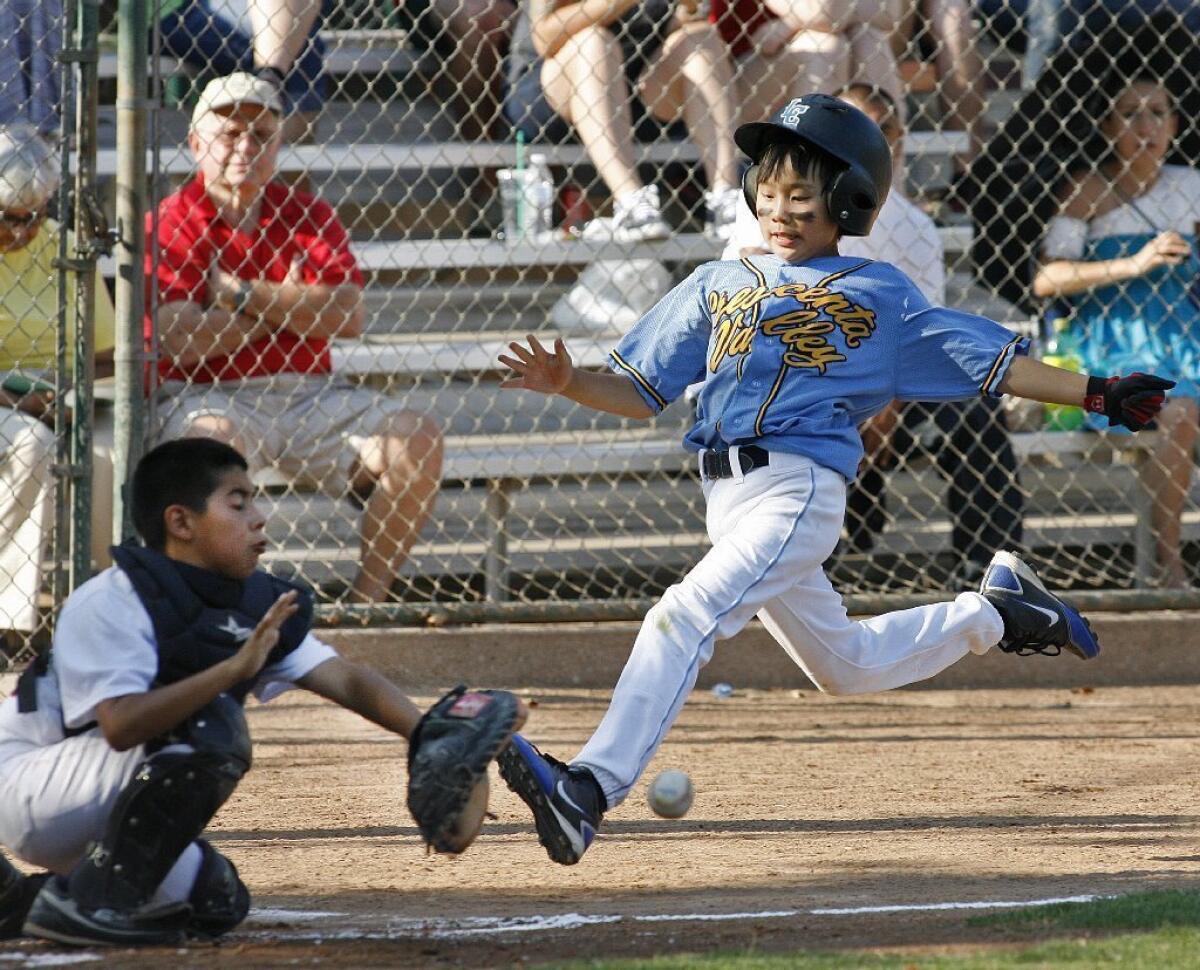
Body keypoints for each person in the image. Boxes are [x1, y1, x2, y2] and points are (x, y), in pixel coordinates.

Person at [494, 93, 1172, 865]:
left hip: (797, 491)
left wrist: (1097, 392)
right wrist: (566, 380)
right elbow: (637, 389)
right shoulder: (718, 283)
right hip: (728, 498)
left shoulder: (878, 297)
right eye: (772, 191)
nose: (781, 211)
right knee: (846, 667)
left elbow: (991, 361)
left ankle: (585, 789)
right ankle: (996, 614)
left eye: (804, 197)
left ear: (849, 203)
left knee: (682, 614)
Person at [0, 437, 526, 945]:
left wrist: (429, 733)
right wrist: (231, 672)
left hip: (102, 787)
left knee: (216, 901)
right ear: (180, 522)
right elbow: (119, 726)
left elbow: (343, 676)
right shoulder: (112, 600)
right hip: (31, 782)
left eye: (253, 501)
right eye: (237, 503)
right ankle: (94, 905)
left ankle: (18, 901)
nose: (258, 518)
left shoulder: (246, 599)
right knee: (211, 728)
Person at [147, 73, 443, 604]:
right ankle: (216, 606)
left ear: (279, 144)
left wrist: (237, 296)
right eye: (229, 132)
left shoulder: (308, 211)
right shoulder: (172, 220)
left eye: (261, 134)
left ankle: (366, 603)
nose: (245, 146)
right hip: (209, 393)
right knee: (210, 448)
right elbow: (181, 341)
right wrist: (291, 306)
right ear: (195, 145)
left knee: (416, 437)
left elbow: (348, 316)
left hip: (312, 392)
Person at [724, 84, 1023, 589]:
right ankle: (808, 567)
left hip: (882, 387)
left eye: (880, 130)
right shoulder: (774, 200)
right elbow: (772, 317)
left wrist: (884, 399)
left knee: (973, 407)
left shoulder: (915, 227)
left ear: (898, 141)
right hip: (786, 380)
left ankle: (994, 574)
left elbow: (923, 339)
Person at [1032, 76, 1200, 588]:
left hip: (1185, 337)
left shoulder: (1191, 186)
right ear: (1108, 127)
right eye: (1129, 113)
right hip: (1115, 341)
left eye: (1157, 112)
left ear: (1174, 124)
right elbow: (1047, 279)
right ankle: (1168, 568)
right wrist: (1131, 264)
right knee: (1178, 413)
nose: (1144, 125)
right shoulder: (1088, 190)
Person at [0, 123, 116, 645]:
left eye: (33, 217)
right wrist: (20, 401)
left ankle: (114, 609)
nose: (20, 233)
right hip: (7, 398)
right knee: (30, 443)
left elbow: (108, 355)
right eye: (7, 219)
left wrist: (67, 394)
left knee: (114, 454)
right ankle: (7, 624)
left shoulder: (63, 248)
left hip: (59, 391)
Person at [503, 0, 743, 241]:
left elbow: (670, 27)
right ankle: (632, 205)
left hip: (636, 91)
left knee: (701, 37)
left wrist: (689, 9)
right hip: (552, 93)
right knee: (595, 43)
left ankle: (726, 200)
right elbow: (546, 37)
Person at [710, 0, 905, 127]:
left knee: (869, 38)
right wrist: (813, 20)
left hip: (791, 62)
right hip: (732, 91)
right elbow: (827, 15)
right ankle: (803, 162)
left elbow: (888, 13)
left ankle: (887, 182)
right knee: (825, 45)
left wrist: (789, 25)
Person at [159, 0, 327, 142]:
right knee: (298, 48)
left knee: (300, 43)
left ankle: (269, 85)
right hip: (166, 13)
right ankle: (267, 87)